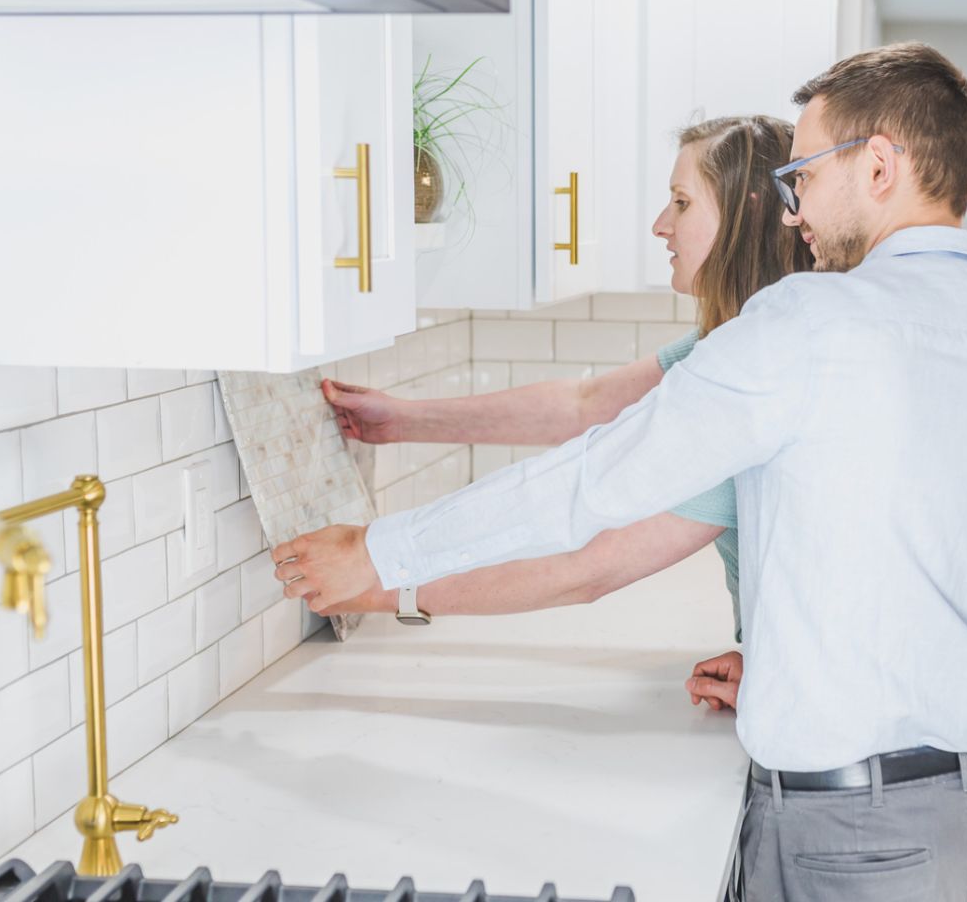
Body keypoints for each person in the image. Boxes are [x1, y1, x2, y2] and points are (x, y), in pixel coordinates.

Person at [275, 42, 967, 900]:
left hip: (862, 839)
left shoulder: (812, 324)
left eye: (804, 177)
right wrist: (797, 675)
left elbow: (597, 481)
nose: (791, 211)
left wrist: (382, 554)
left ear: (881, 166)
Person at [317, 114, 808, 712]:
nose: (661, 224)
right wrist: (405, 420)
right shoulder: (735, 342)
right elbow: (588, 404)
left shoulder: (751, 375)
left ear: (747, 212)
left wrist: (375, 584)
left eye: (681, 203)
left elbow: (590, 567)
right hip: (796, 684)